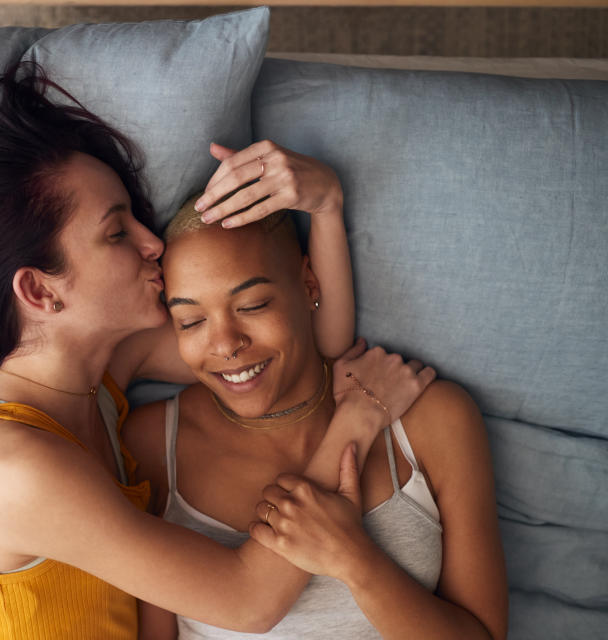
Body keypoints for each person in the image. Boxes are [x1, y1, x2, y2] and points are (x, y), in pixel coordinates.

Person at [0, 62, 434, 639]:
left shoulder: (100, 374)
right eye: (118, 233)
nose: (152, 242)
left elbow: (308, 338)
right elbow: (247, 600)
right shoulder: (9, 467)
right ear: (40, 290)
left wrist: (327, 206)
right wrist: (356, 422)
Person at [123, 192, 509, 639]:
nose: (226, 344)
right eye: (190, 322)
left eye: (252, 306)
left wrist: (354, 558)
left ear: (308, 284)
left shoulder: (433, 419)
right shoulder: (151, 443)